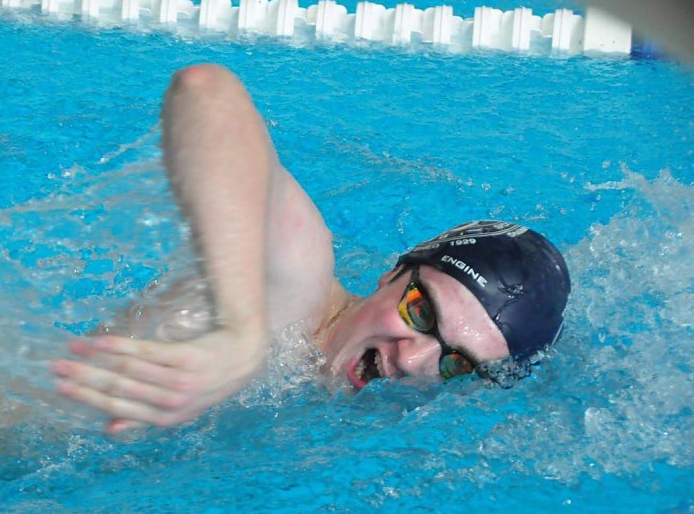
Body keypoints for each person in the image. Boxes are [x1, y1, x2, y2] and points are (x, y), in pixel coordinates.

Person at [51, 64, 571, 433]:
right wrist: (239, 333)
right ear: (392, 275)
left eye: (455, 363)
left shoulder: (331, 404)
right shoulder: (294, 283)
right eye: (420, 312)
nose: (414, 360)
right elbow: (206, 92)